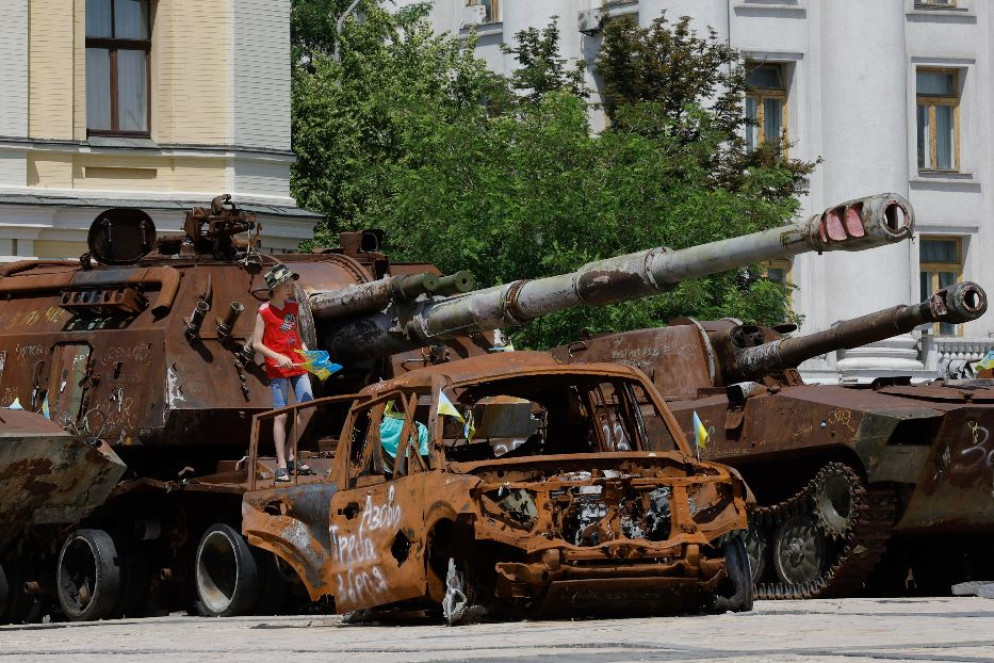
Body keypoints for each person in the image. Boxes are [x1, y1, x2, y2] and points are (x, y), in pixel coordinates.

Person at [252, 264, 315, 483]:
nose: (291, 288)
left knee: (308, 407)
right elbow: (256, 344)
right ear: (276, 287)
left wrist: (309, 355)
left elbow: (297, 337)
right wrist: (277, 357)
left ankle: (290, 452)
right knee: (281, 414)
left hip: (297, 363)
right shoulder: (264, 311)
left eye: (291, 285)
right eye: (287, 285)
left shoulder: (293, 307)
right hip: (278, 368)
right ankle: (281, 464)